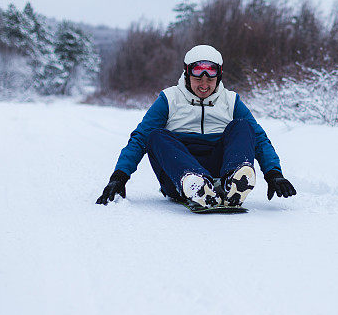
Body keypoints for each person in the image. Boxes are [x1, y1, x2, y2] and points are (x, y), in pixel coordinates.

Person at [95, 44, 296, 209]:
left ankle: (232, 183)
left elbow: (259, 139)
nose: (204, 84)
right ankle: (195, 184)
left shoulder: (231, 101)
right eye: (198, 77)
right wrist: (120, 177)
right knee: (155, 136)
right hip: (178, 173)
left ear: (219, 76)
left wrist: (273, 173)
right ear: (186, 74)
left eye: (210, 78)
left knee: (243, 127)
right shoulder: (169, 98)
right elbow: (139, 138)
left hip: (219, 168)